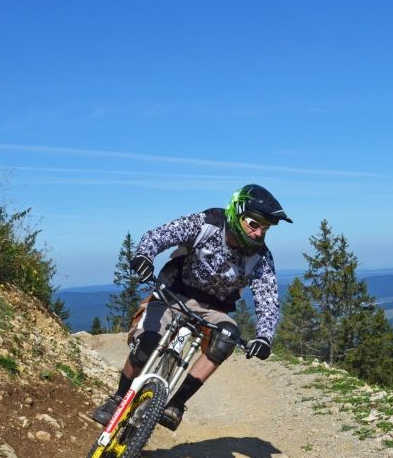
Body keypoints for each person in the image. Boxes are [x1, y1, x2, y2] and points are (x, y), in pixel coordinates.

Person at [91, 184, 291, 431]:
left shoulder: (260, 257)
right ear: (237, 213)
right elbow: (160, 235)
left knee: (228, 338)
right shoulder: (208, 223)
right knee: (148, 343)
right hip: (172, 294)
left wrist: (264, 337)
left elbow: (268, 298)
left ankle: (175, 404)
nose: (259, 233)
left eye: (265, 228)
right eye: (253, 224)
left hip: (214, 310)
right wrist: (145, 255)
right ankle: (118, 398)